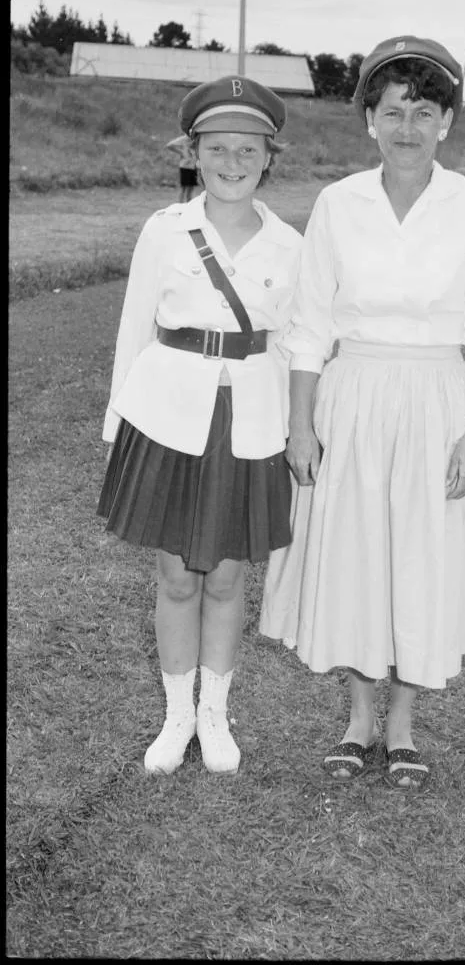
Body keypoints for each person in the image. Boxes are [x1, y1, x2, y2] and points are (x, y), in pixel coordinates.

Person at [259, 36, 465, 789]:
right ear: (368, 120)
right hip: (353, 400)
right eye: (391, 111)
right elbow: (309, 327)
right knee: (354, 556)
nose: (407, 126)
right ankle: (355, 720)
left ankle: (402, 727)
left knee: (421, 559)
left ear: (446, 122)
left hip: (439, 403)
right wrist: (301, 425)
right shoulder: (338, 203)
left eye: (424, 111)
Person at [98, 76, 302, 776]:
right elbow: (134, 329)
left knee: (225, 579)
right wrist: (115, 424)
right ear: (193, 152)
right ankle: (175, 715)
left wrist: (302, 430)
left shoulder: (291, 244)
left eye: (248, 148)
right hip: (166, 416)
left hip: (250, 422)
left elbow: (301, 347)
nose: (232, 161)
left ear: (270, 156)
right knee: (176, 577)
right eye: (216, 148)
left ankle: (215, 715)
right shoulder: (165, 230)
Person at [165, 133, 199, 202]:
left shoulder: (197, 138)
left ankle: (189, 206)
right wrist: (181, 152)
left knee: (190, 189)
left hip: (193, 166)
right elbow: (169, 145)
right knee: (183, 188)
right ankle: (180, 207)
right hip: (185, 167)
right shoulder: (184, 139)